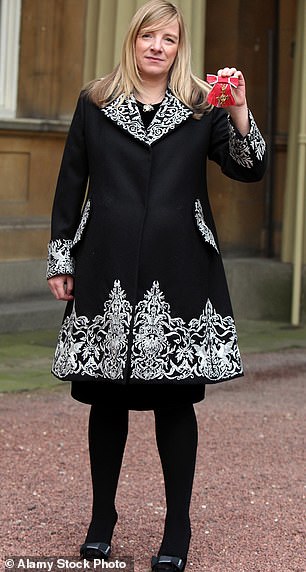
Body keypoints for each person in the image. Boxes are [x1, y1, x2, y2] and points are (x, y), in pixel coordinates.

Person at [47, 1, 266, 570]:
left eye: (169, 39)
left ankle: (177, 527)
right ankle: (102, 518)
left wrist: (240, 112)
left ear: (178, 47)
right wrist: (60, 257)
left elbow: (248, 167)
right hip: (104, 267)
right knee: (106, 400)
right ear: (133, 40)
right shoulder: (95, 102)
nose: (158, 47)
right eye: (149, 35)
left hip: (180, 269)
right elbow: (71, 182)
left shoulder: (201, 106)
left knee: (174, 403)